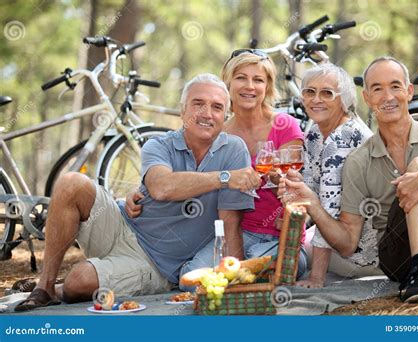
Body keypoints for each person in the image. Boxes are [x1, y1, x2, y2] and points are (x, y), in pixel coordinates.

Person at [15, 73, 260, 311]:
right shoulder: (159, 144)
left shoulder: (233, 151)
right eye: (198, 104)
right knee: (71, 182)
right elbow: (162, 187)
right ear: (182, 110)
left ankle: (63, 288)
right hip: (121, 224)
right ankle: (45, 287)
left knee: (78, 282)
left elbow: (231, 226)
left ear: (225, 115)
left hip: (154, 263)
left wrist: (234, 280)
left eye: (216, 107)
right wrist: (224, 178)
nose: (207, 113)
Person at [280, 56, 418, 303]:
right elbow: (348, 243)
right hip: (400, 257)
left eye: (395, 86)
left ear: (409, 91)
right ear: (367, 98)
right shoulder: (359, 160)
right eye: (377, 88)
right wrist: (313, 205)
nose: (388, 96)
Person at [126, 49, 309, 282]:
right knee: (189, 280)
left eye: (258, 79)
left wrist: (279, 181)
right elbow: (188, 171)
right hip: (231, 232)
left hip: (275, 234)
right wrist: (139, 189)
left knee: (273, 268)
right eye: (241, 77)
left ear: (268, 86)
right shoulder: (216, 130)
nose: (249, 86)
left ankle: (264, 272)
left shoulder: (285, 125)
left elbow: (290, 179)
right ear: (228, 84)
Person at [281, 63, 381, 289]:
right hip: (339, 233)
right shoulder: (316, 131)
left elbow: (324, 211)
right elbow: (308, 191)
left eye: (327, 93)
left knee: (282, 255)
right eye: (309, 92)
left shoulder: (343, 140)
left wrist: (316, 278)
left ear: (343, 100)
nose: (316, 99)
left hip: (362, 255)